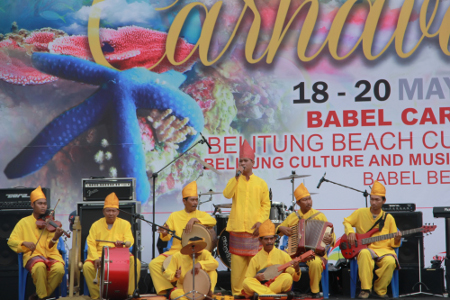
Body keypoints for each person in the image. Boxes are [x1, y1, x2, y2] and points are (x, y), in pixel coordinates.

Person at [149, 181, 216, 296]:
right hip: (177, 252)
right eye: (192, 200)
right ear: (184, 201)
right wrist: (164, 233)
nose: (195, 202)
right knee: (153, 264)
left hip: (197, 252)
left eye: (196, 199)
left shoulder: (201, 214)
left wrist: (196, 220)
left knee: (212, 269)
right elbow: (166, 237)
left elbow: (213, 221)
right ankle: (167, 290)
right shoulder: (174, 215)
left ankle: (208, 292)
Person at [223, 139, 271, 295]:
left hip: (254, 232)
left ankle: (251, 294)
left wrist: (260, 222)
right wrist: (236, 178)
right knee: (237, 272)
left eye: (245, 161)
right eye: (240, 161)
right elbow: (226, 194)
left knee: (253, 271)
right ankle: (237, 295)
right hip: (237, 231)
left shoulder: (261, 183)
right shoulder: (235, 181)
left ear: (253, 162)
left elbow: (266, 205)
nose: (242, 163)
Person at [343, 181, 402, 299]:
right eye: (372, 199)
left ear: (384, 201)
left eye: (377, 200)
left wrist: (397, 239)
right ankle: (365, 289)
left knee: (390, 262)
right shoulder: (360, 212)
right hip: (366, 248)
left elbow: (393, 244)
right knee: (364, 253)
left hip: (384, 250)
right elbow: (347, 221)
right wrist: (350, 232)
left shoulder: (389, 218)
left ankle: (379, 289)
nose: (374, 202)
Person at [277, 183, 335, 298]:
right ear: (298, 203)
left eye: (309, 199)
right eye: (305, 200)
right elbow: (278, 231)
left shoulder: (320, 216)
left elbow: (331, 236)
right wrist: (280, 227)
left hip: (314, 253)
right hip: (295, 253)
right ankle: (286, 290)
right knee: (283, 260)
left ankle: (315, 291)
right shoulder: (292, 217)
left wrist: (330, 239)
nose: (309, 202)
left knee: (316, 263)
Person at [8, 186, 65, 300]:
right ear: (32, 205)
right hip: (33, 256)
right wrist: (24, 243)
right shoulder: (23, 222)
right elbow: (11, 241)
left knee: (59, 269)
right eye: (40, 203)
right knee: (39, 266)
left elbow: (50, 245)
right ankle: (43, 296)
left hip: (51, 255)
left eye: (45, 203)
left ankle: (39, 296)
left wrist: (55, 237)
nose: (43, 206)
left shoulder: (50, 222)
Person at [83, 192, 141, 299]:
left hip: (119, 255)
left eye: (113, 211)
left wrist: (123, 244)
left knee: (135, 262)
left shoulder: (125, 224)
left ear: (118, 212)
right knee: (87, 266)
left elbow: (129, 240)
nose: (111, 213)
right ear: (103, 212)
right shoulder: (95, 225)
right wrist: (95, 258)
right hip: (100, 255)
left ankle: (130, 293)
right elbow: (90, 243)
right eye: (108, 210)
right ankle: (97, 296)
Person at [242, 219, 300, 299]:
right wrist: (257, 277)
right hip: (260, 284)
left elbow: (295, 278)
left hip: (276, 284)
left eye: (271, 238)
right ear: (260, 240)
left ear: (275, 239)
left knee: (287, 277)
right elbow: (249, 278)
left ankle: (263, 295)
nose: (269, 241)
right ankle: (272, 296)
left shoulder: (284, 255)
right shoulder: (255, 258)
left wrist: (297, 269)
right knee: (246, 282)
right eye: (266, 239)